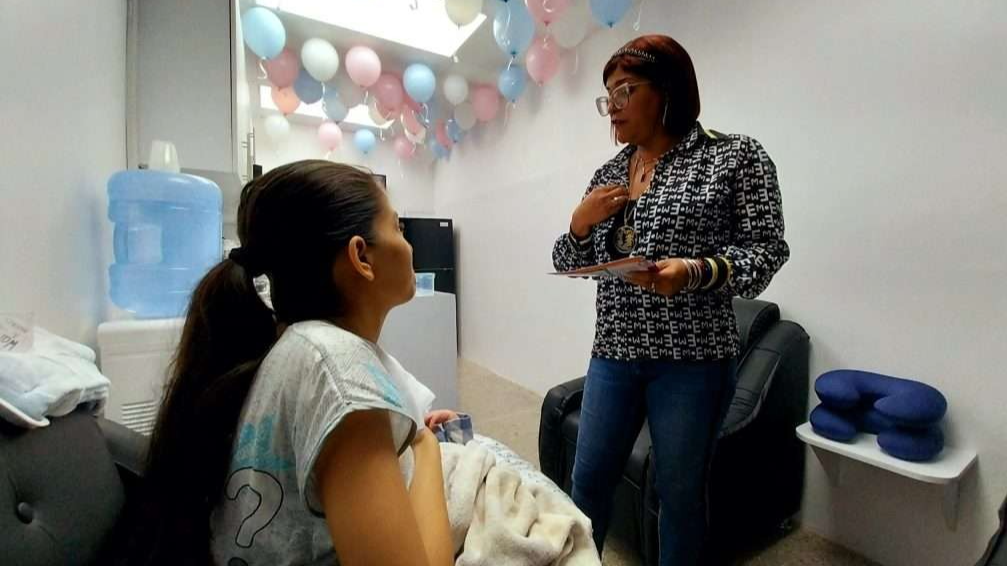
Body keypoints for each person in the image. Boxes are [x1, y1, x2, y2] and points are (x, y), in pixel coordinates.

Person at [126, 161, 456, 566]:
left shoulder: (298, 346)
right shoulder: (338, 368)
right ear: (361, 256)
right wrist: (425, 447)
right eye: (398, 228)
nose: (408, 245)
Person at [552, 35, 790, 565]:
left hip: (692, 363)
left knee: (678, 497)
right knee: (587, 483)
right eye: (607, 97)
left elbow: (767, 252)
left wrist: (694, 272)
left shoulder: (733, 157)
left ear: (666, 90)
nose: (612, 108)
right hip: (613, 354)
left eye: (624, 91)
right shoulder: (609, 174)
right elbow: (568, 261)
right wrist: (579, 223)